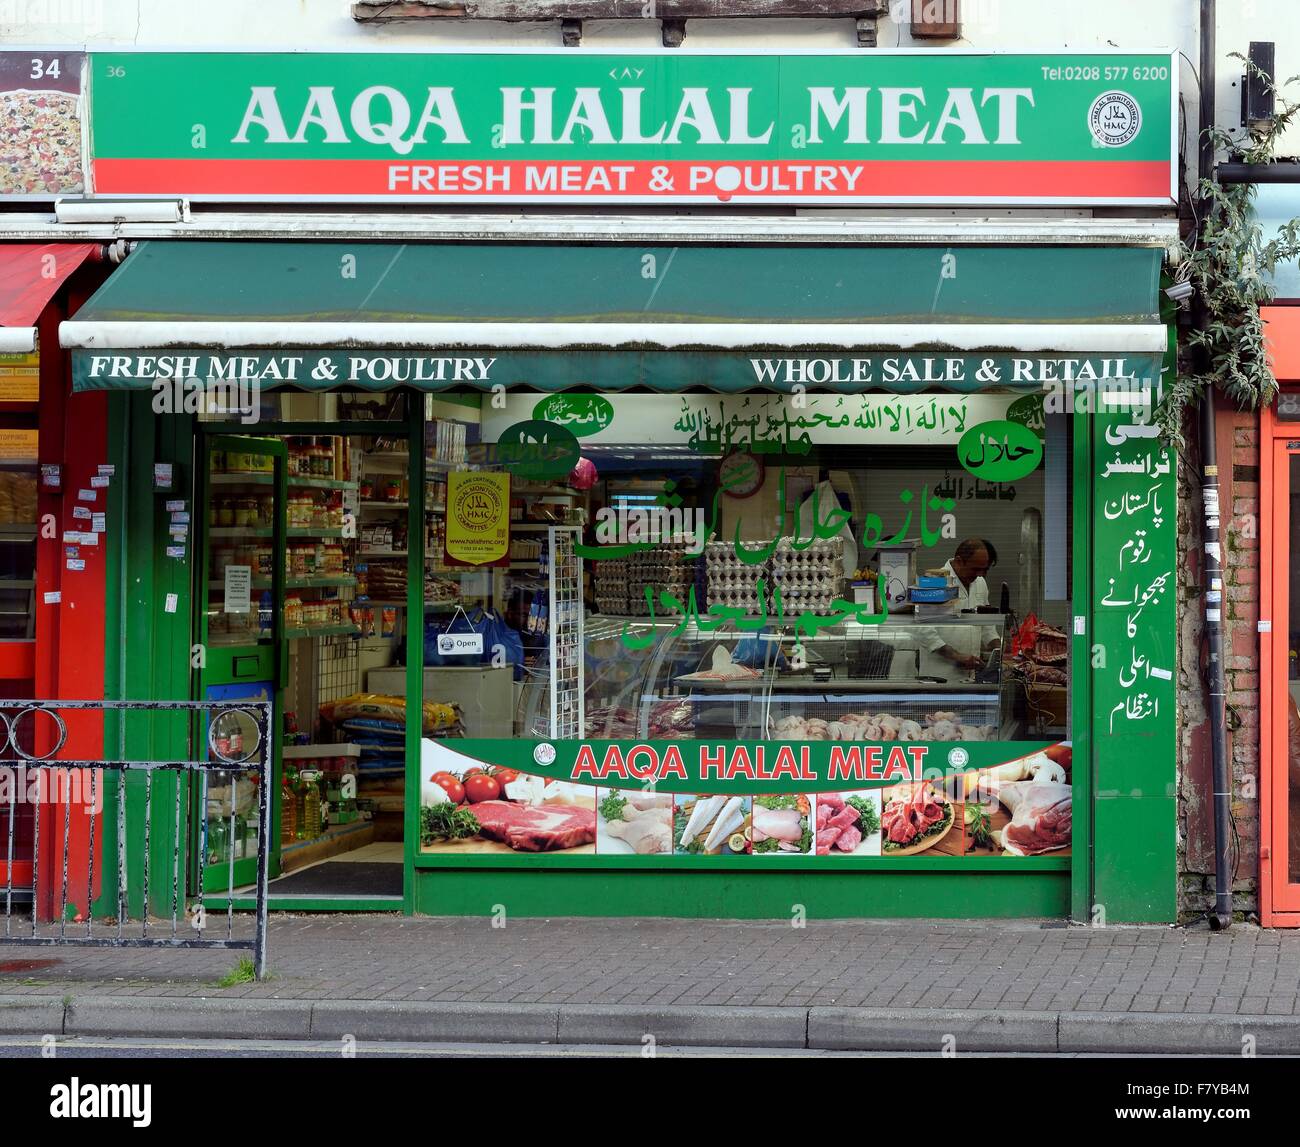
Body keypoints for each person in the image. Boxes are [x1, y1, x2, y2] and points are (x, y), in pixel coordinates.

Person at [920, 538, 1002, 674]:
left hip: (970, 674)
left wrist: (999, 649)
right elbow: (924, 631)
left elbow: (987, 625)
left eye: (984, 569)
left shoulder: (980, 583)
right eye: (975, 569)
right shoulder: (934, 581)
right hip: (939, 675)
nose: (980, 575)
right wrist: (956, 656)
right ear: (959, 561)